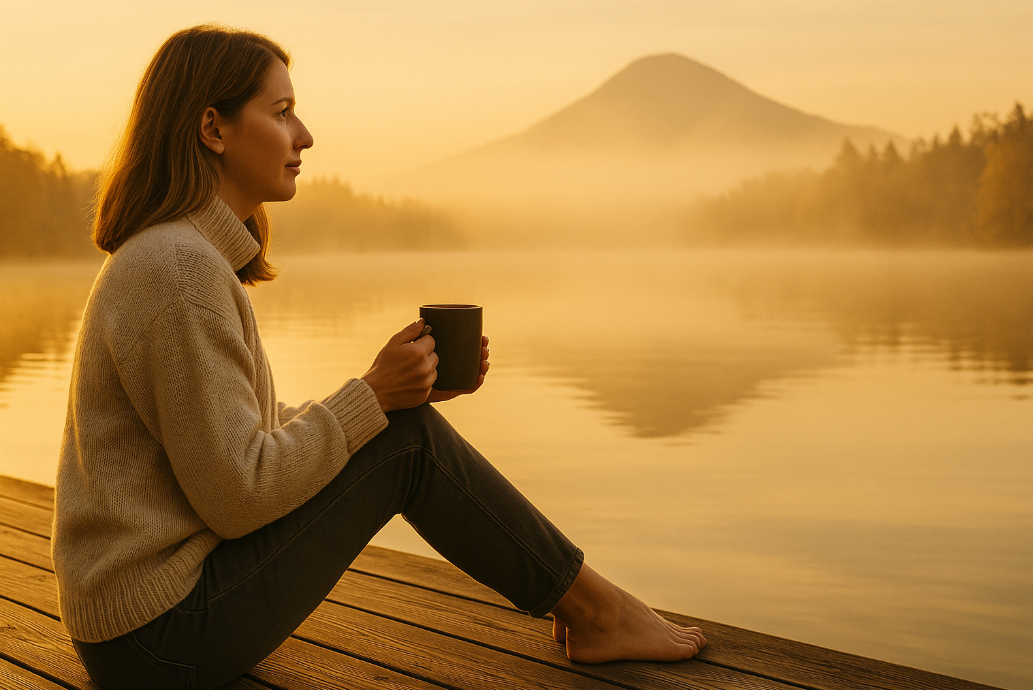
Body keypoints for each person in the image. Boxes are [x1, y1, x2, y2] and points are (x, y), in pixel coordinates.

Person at [51, 24, 706, 690]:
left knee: (401, 429)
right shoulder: (179, 270)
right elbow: (237, 497)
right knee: (408, 445)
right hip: (158, 642)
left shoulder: (178, 258)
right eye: (281, 114)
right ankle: (597, 611)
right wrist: (375, 399)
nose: (304, 136)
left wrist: (393, 394)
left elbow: (236, 440)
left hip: (143, 628)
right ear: (212, 129)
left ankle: (588, 604)